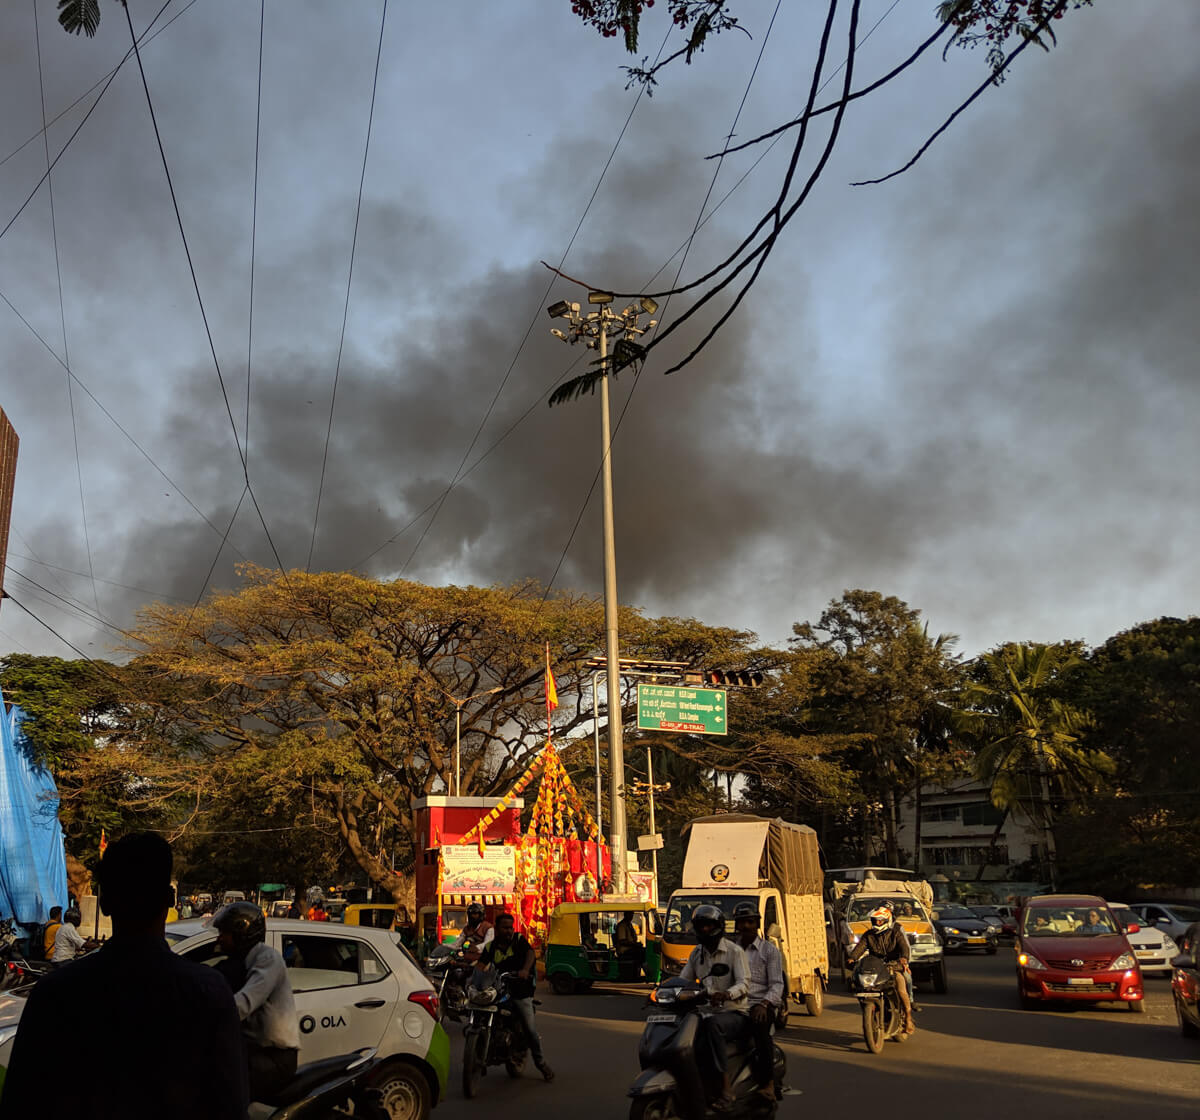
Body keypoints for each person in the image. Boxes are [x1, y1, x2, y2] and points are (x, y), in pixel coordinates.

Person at [0, 832, 248, 1119]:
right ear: (169, 899)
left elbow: (21, 1103)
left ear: (104, 902)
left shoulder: (55, 995)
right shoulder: (208, 993)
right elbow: (230, 1105)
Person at [212, 900, 301, 1100]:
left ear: (241, 932)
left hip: (273, 1058)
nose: (220, 938)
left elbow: (245, 1002)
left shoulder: (268, 959)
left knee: (221, 1091)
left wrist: (210, 1017)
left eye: (224, 933)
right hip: (252, 1051)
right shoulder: (236, 963)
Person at [679, 905, 750, 1113]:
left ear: (718, 927)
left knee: (712, 1025)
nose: (705, 930)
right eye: (701, 926)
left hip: (734, 1013)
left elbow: (744, 983)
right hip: (706, 1011)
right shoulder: (697, 953)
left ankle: (726, 1089)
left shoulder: (734, 952)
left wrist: (727, 994)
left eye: (709, 925)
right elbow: (684, 979)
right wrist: (663, 992)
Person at [476, 912, 554, 1081]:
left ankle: (541, 1064)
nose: (509, 931)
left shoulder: (518, 941)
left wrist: (525, 970)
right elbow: (481, 966)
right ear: (496, 929)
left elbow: (530, 954)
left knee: (530, 1030)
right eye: (505, 927)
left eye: (510, 927)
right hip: (499, 989)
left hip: (520, 991)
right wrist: (474, 981)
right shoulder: (491, 947)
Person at [732, 902, 784, 1101]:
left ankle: (768, 1083)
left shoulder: (769, 951)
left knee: (761, 1030)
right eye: (741, 922)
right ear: (736, 925)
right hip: (733, 1004)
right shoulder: (731, 950)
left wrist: (764, 1005)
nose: (745, 926)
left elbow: (777, 985)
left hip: (760, 1004)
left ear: (757, 924)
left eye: (749, 922)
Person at [847, 905, 914, 1035]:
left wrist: (904, 958)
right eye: (875, 921)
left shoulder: (896, 932)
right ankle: (869, 1012)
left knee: (902, 984)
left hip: (893, 966)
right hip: (875, 966)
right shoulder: (869, 935)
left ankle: (908, 1016)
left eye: (880, 921)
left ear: (886, 920)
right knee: (859, 984)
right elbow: (860, 948)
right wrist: (852, 958)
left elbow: (904, 948)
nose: (877, 923)